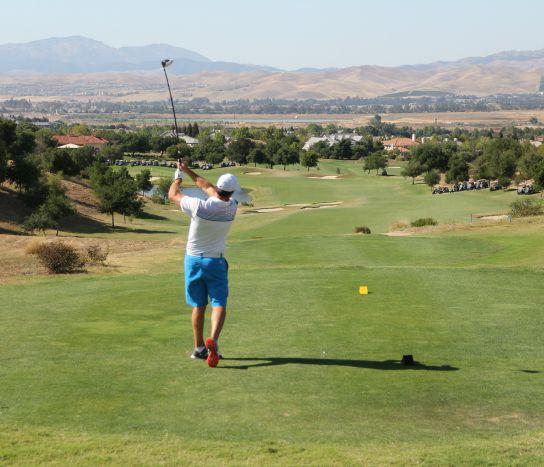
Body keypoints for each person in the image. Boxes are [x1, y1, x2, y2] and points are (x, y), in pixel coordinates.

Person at [168, 160, 240, 368]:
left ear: (218, 188)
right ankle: (213, 340)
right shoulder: (232, 207)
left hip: (193, 260)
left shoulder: (198, 206)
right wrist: (187, 169)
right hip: (215, 261)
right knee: (219, 302)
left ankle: (199, 348)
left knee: (198, 305)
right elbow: (207, 187)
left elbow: (173, 195)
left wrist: (178, 176)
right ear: (232, 192)